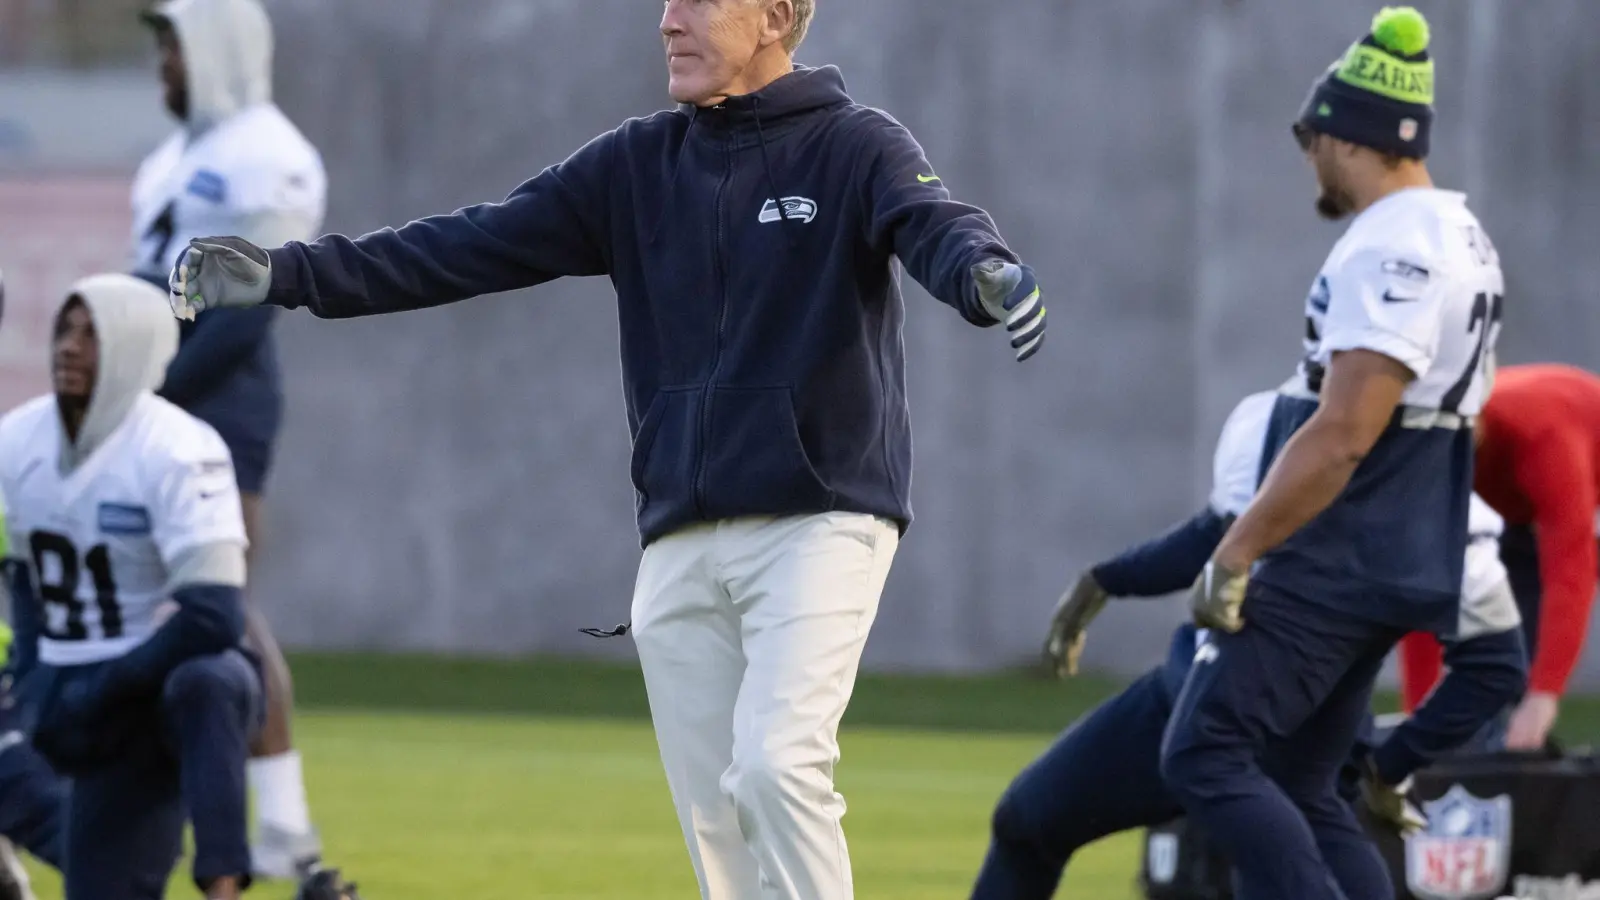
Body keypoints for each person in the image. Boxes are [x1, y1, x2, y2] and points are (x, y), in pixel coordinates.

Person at [165, 1, 1049, 896]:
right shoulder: (635, 165)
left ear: (777, 14)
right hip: (678, 541)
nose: (669, 21)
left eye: (698, 1)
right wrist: (286, 274)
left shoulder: (857, 145)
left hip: (821, 521)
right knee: (718, 831)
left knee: (778, 771)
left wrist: (984, 273)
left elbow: (934, 222)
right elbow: (462, 246)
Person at [1159, 8, 1506, 899]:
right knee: (1308, 783)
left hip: (1346, 549)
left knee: (1205, 751)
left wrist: (1237, 551)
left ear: (1351, 132)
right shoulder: (1461, 232)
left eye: (1309, 134)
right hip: (1402, 545)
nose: (1307, 155)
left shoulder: (1397, 243)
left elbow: (1348, 427)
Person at [971, 389, 1527, 899]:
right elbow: (1495, 664)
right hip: (1273, 711)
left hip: (1230, 703)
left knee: (1270, 816)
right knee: (1030, 822)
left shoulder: (1292, 419)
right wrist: (1391, 763)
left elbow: (1220, 535)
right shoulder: (1437, 484)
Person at [129, 0, 331, 879]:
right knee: (158, 600)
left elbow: (248, 306)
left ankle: (284, 824)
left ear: (216, 45)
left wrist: (159, 394)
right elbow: (152, 289)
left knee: (222, 600)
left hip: (222, 393)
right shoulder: (170, 159)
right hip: (162, 390)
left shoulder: (271, 153)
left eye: (173, 45)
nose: (162, 65)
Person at [0, 274, 263, 899]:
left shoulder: (178, 448)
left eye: (93, 335)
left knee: (212, 678)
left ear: (137, 346)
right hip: (80, 695)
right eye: (65, 329)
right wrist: (40, 679)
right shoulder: (17, 441)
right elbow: (22, 578)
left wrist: (108, 682)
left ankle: (224, 880)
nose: (68, 347)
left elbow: (215, 615)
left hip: (150, 689)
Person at [1399, 363, 1600, 749]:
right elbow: (1423, 584)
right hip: (1522, 513)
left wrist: (1544, 697)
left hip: (1572, 461)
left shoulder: (1542, 438)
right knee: (1507, 661)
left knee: (1534, 686)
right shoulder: (1434, 455)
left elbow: (1571, 572)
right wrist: (1418, 717)